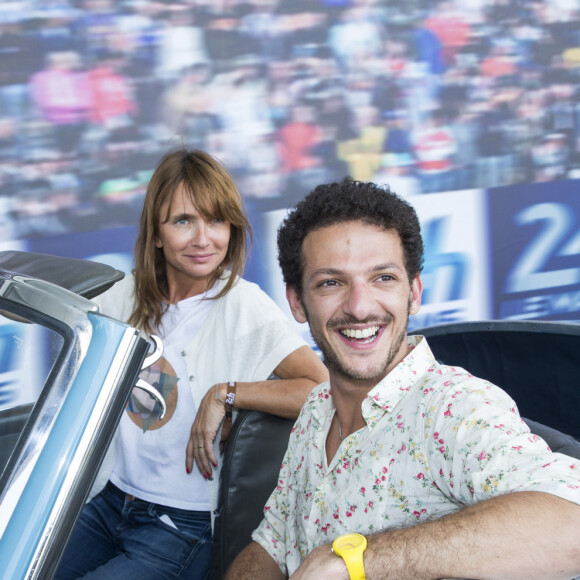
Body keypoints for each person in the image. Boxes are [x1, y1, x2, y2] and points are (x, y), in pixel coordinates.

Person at [226, 177, 580, 580]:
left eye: (383, 278)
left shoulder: (452, 407)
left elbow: (574, 522)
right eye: (331, 282)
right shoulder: (315, 409)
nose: (359, 307)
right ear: (297, 302)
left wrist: (359, 561)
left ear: (413, 293)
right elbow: (273, 543)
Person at [56, 149, 328, 580]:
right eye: (184, 221)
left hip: (184, 524)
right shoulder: (121, 295)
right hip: (110, 500)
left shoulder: (244, 304)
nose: (204, 239)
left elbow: (320, 388)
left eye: (216, 221)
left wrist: (226, 394)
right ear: (157, 233)